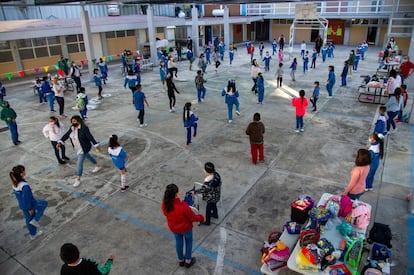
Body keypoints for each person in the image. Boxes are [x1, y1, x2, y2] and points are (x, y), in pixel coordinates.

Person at [161, 183, 204, 268]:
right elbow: (193, 217)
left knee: (179, 243)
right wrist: (202, 218)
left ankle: (181, 260)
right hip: (186, 228)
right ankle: (188, 260)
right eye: (178, 192)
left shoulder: (164, 204)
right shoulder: (183, 206)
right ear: (176, 194)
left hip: (174, 228)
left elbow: (166, 214)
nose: (179, 193)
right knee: (188, 243)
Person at [58, 115, 102, 187]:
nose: (73, 123)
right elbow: (66, 135)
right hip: (77, 148)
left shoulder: (84, 128)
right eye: (72, 121)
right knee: (88, 156)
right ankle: (97, 165)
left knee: (79, 164)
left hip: (83, 148)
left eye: (74, 121)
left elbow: (90, 137)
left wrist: (96, 145)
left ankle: (78, 179)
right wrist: (60, 142)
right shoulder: (72, 128)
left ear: (78, 121)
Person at [10, 165, 48, 240]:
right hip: (30, 204)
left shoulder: (14, 184)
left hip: (22, 205)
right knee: (44, 204)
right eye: (24, 171)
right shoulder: (24, 186)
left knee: (28, 218)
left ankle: (33, 234)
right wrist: (30, 208)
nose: (25, 172)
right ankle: (35, 220)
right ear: (21, 174)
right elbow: (26, 198)